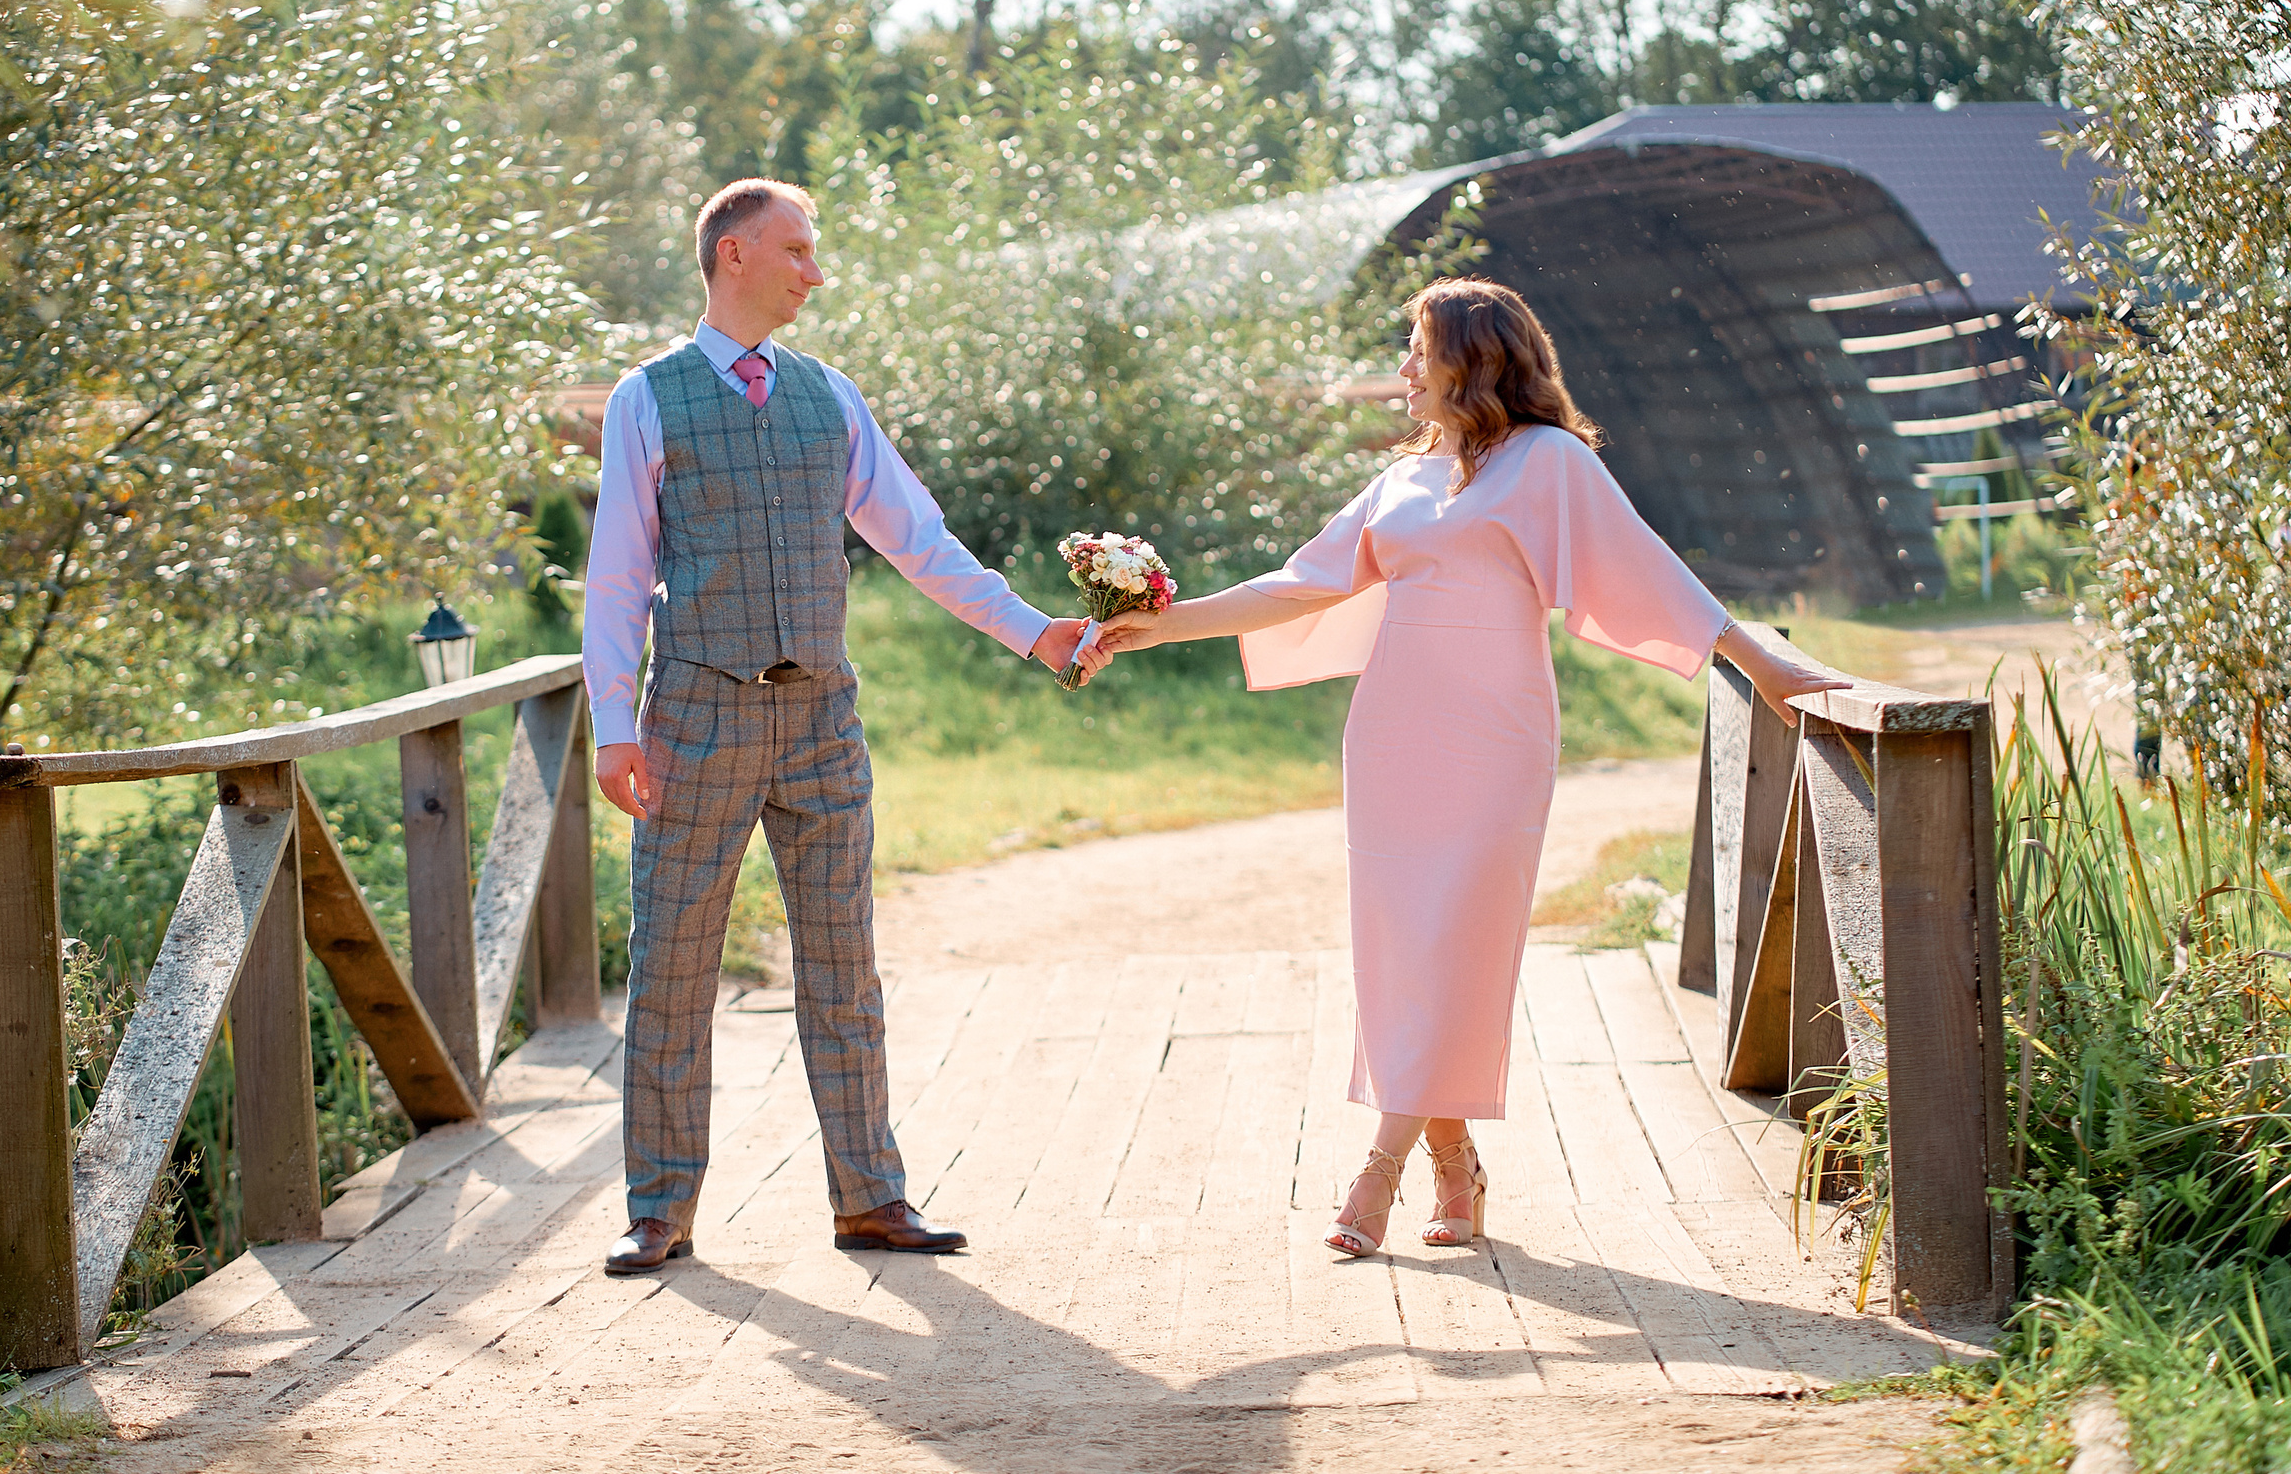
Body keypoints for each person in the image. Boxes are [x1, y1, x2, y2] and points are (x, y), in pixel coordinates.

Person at [1078, 277, 1845, 1256]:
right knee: (1404, 947)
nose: (1403, 366)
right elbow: (1299, 584)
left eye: (1418, 346)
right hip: (1392, 736)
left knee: (1456, 943)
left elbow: (1646, 565)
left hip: (1495, 741)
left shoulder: (1549, 461)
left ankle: (1379, 1168)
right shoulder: (1405, 478)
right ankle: (1455, 1163)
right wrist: (1157, 625)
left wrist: (1762, 661)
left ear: (1472, 357)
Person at [582, 179, 1089, 1274]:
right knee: (671, 965)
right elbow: (617, 574)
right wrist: (614, 725)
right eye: (797, 250)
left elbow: (920, 540)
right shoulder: (646, 398)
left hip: (821, 715)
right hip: (695, 717)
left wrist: (1034, 631)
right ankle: (658, 1209)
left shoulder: (830, 396)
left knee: (843, 964)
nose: (815, 272)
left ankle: (870, 1197)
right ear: (733, 254)